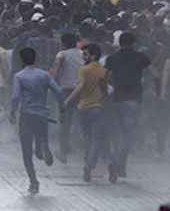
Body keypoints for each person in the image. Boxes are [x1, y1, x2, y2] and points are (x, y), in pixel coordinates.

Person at [103, 31, 162, 183]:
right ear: (133, 43)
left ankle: (120, 165)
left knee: (118, 133)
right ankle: (116, 162)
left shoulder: (113, 58)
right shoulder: (140, 57)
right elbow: (156, 75)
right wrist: (157, 90)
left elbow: (102, 76)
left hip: (117, 100)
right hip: (134, 100)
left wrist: (105, 91)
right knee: (127, 134)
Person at [11, 47, 67, 194]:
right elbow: (58, 91)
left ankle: (34, 182)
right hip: (42, 115)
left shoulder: (19, 76)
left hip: (26, 115)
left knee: (26, 151)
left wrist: (12, 111)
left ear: (21, 60)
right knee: (41, 139)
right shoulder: (45, 75)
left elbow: (16, 96)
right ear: (35, 59)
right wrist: (62, 109)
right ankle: (42, 146)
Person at [63, 43, 108, 182]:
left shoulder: (84, 69)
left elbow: (80, 87)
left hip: (84, 107)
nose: (83, 57)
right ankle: (90, 163)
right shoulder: (104, 70)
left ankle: (88, 158)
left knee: (87, 137)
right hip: (100, 108)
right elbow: (112, 86)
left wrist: (67, 100)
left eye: (85, 54)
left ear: (92, 56)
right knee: (96, 138)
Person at [50, 32, 84, 163]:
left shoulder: (62, 54)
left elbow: (56, 68)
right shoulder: (82, 53)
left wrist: (51, 79)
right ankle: (79, 145)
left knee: (65, 121)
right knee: (82, 119)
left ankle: (63, 151)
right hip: (82, 89)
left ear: (63, 44)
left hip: (67, 91)